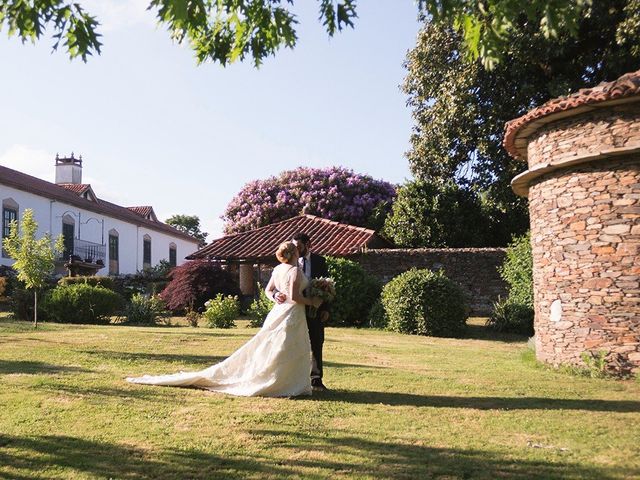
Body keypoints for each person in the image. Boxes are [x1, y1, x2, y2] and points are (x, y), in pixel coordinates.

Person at [125, 241, 322, 397]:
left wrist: (276, 295)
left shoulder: (278, 269)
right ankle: (285, 383)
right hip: (291, 313)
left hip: (278, 312)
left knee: (277, 346)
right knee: (288, 346)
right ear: (294, 254)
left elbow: (268, 290)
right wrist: (312, 301)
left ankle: (286, 380)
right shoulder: (294, 271)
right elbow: (295, 298)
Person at [292, 233, 330, 392]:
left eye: (299, 247)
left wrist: (326, 309)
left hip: (315, 309)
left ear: (309, 244)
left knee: (316, 342)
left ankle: (316, 379)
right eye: (295, 247)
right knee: (294, 343)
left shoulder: (320, 262)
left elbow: (327, 287)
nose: (296, 250)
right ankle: (295, 378)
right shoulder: (291, 262)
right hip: (295, 309)